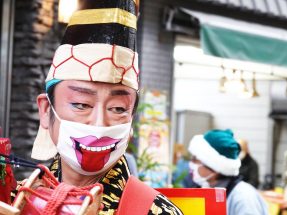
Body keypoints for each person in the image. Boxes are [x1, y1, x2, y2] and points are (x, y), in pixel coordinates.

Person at [29, 1, 182, 214]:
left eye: (118, 109)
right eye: (81, 105)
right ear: (46, 110)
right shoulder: (17, 199)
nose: (99, 125)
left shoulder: (156, 212)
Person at [188, 129, 268, 215]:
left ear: (214, 167)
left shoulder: (243, 198)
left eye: (195, 159)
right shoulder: (205, 189)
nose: (191, 163)